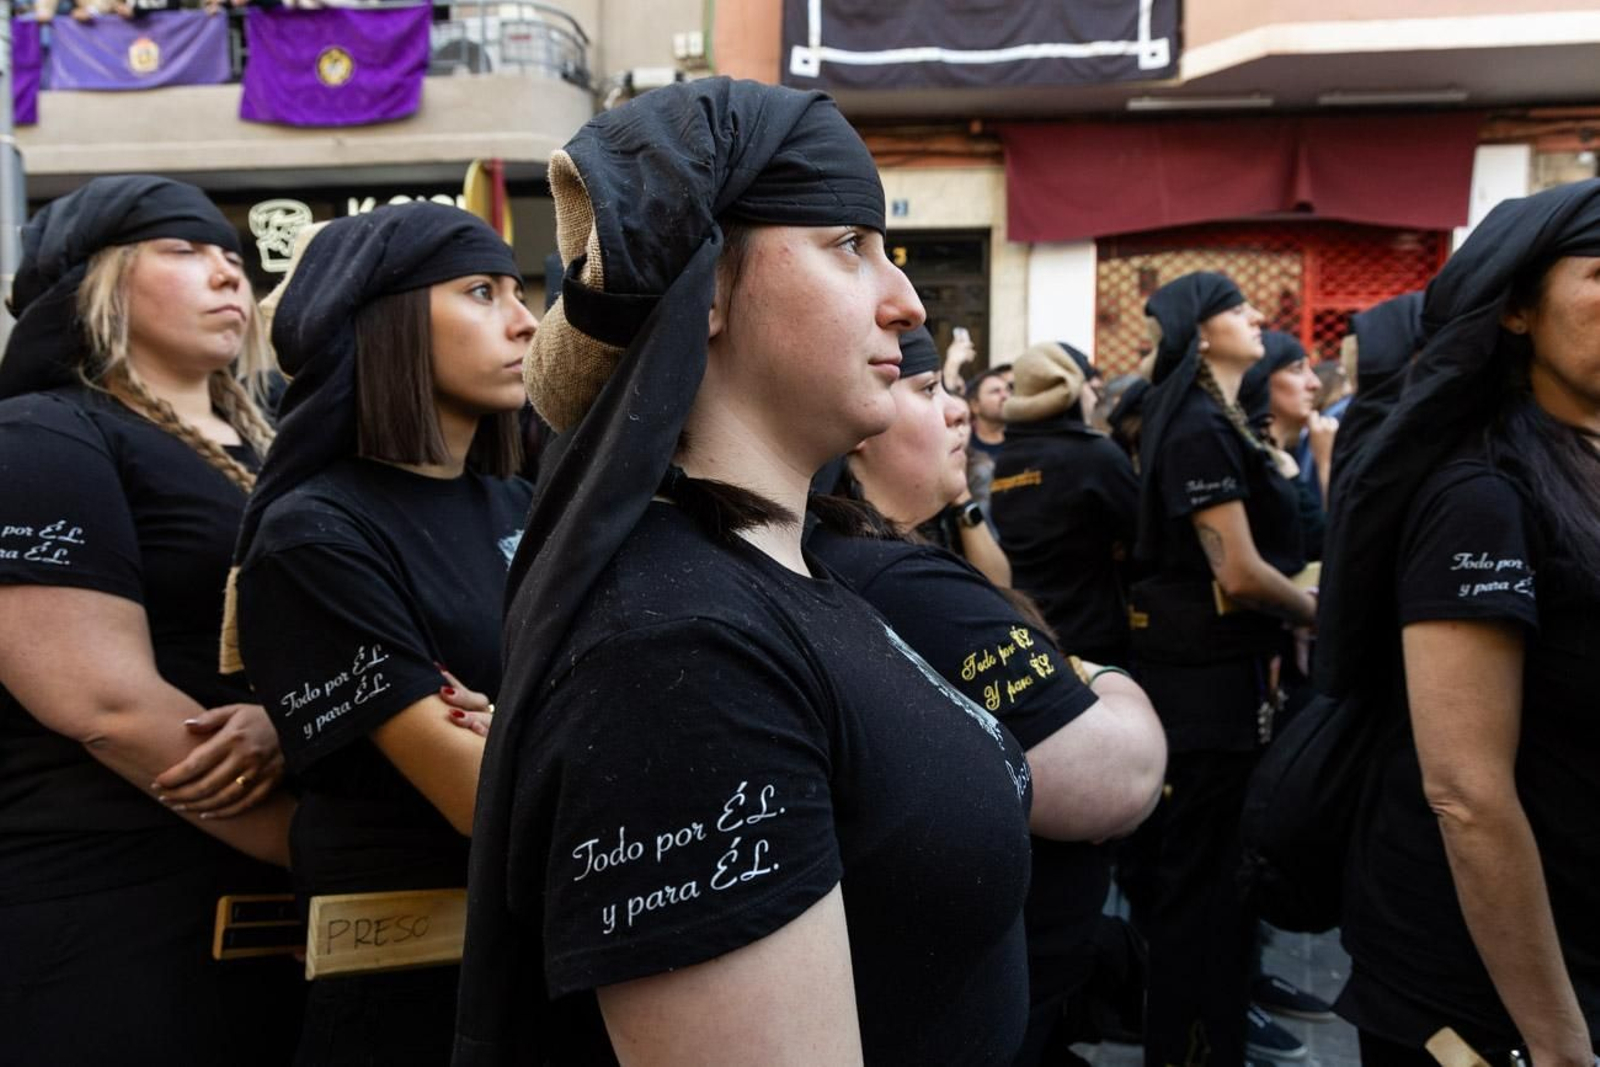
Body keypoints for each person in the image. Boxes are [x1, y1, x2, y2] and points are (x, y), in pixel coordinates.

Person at [456, 78, 1038, 1066]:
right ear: (710, 288)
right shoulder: (679, 652)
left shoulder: (772, 574)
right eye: (848, 245)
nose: (903, 301)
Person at [0, 175, 301, 1063]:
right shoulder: (42, 433)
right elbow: (104, 705)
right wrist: (328, 844)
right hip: (112, 907)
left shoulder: (287, 441)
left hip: (289, 909)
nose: (226, 274)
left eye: (232, 256)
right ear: (95, 283)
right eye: (183, 250)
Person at [808, 325, 1165, 1066]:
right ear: (859, 424)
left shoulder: (854, 560)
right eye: (928, 388)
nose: (959, 410)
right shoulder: (903, 586)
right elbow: (1122, 777)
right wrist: (1100, 676)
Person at [229, 203, 535, 1065]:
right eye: (481, 292)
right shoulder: (313, 534)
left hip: (547, 973)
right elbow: (484, 796)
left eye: (518, 290)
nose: (526, 320)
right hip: (415, 990)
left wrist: (512, 720)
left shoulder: (518, 504)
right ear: (388, 320)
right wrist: (539, 723)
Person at [1321, 179, 1600, 1063]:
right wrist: (1559, 1047)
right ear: (1518, 309)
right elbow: (1468, 795)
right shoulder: (1482, 498)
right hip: (1489, 999)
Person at [1128, 271, 1316, 1067]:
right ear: (1201, 331)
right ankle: (1195, 1047)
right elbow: (1237, 573)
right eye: (1238, 308)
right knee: (1202, 884)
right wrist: (1315, 608)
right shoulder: (1201, 424)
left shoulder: (1219, 417)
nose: (1256, 317)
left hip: (1218, 675)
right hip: (1203, 685)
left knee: (1211, 880)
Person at [989, 340, 1138, 666]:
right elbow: (1142, 532)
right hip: (1094, 633)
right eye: (1089, 385)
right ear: (1072, 388)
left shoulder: (1008, 458)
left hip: (1032, 629)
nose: (1095, 396)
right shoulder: (1094, 455)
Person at [967, 363, 1012, 458]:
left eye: (1007, 390)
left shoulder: (1022, 440)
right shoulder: (965, 446)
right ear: (975, 405)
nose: (1005, 396)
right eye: (996, 391)